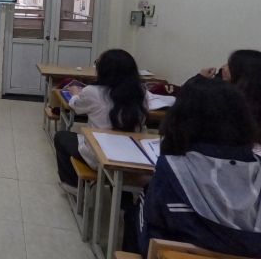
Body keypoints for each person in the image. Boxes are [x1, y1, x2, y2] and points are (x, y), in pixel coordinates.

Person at [136, 76, 261, 258]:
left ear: (181, 117)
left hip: (178, 253)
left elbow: (151, 230)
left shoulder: (171, 168)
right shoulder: (256, 168)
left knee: (139, 205)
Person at [54, 49, 148, 195]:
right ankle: (124, 199)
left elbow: (74, 105)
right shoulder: (140, 92)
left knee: (61, 137)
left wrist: (76, 93)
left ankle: (73, 185)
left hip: (100, 155)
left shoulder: (92, 91)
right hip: (133, 157)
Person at [197, 49, 261, 141]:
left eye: (229, 64)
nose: (223, 67)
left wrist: (199, 79)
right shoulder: (224, 90)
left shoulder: (230, 101)